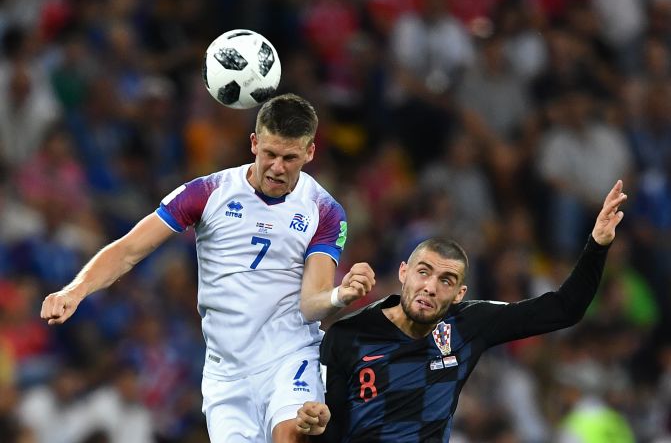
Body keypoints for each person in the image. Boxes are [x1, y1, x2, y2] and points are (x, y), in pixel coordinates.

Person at [40, 93, 376, 443]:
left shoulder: (324, 209)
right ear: (254, 143)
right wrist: (73, 291)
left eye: (289, 157)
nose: (277, 167)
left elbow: (311, 303)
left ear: (309, 153)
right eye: (270, 154)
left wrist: (340, 294)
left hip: (290, 356)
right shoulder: (209, 192)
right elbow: (128, 250)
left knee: (289, 435)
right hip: (227, 373)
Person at [296, 180, 627, 442]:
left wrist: (597, 245)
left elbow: (564, 309)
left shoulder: (468, 324)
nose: (430, 286)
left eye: (446, 280)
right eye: (423, 272)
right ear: (403, 273)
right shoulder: (349, 334)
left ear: (459, 294)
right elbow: (328, 426)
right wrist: (315, 424)